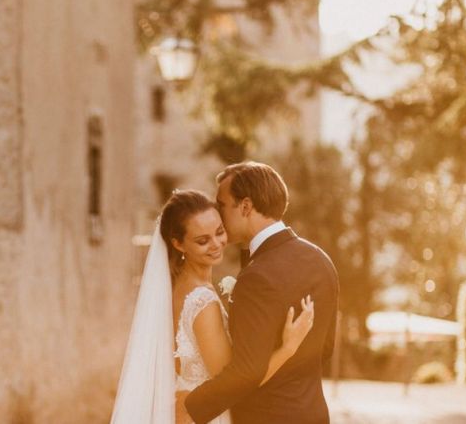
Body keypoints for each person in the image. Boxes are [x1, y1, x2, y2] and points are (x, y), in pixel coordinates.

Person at [111, 189, 314, 424]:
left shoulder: (175, 288)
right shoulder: (201, 302)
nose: (216, 244)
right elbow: (234, 383)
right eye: (202, 240)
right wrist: (288, 347)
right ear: (178, 244)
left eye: (219, 232)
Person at [180, 163, 340, 424]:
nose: (218, 215)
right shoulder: (322, 260)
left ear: (245, 207)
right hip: (313, 414)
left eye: (221, 205)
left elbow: (246, 370)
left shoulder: (257, 276)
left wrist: (191, 407)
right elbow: (325, 348)